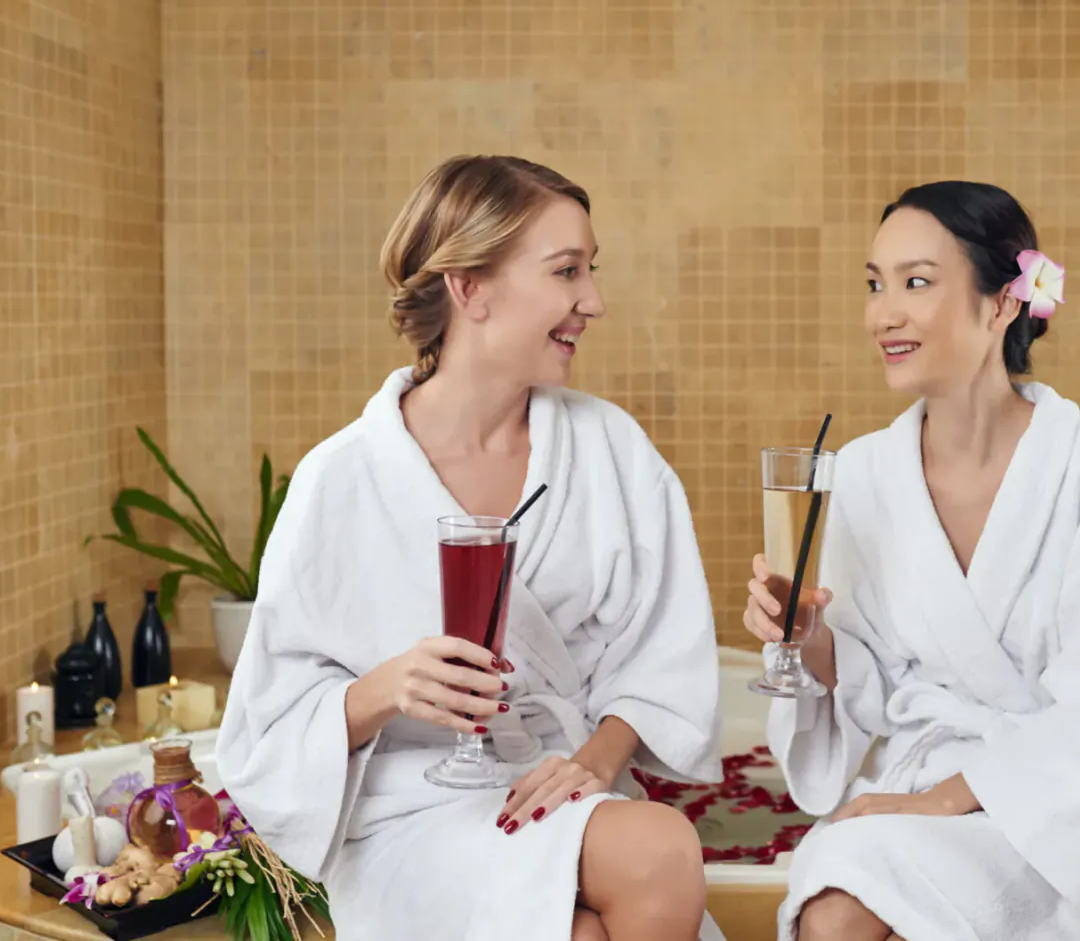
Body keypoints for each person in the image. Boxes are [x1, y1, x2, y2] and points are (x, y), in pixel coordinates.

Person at [218, 155, 726, 941]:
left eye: (590, 271)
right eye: (566, 271)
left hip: (559, 786)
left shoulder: (612, 451)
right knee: (643, 866)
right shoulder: (341, 479)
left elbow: (662, 657)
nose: (593, 301)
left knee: (622, 889)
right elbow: (265, 729)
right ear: (470, 287)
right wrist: (387, 687)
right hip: (408, 809)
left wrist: (595, 762)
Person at [742, 181, 1080, 940]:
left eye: (916, 282)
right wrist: (805, 638)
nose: (883, 314)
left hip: (1046, 812)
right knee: (831, 909)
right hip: (913, 780)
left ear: (1004, 302)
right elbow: (873, 682)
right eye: (875, 285)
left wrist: (935, 802)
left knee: (844, 912)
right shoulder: (865, 472)